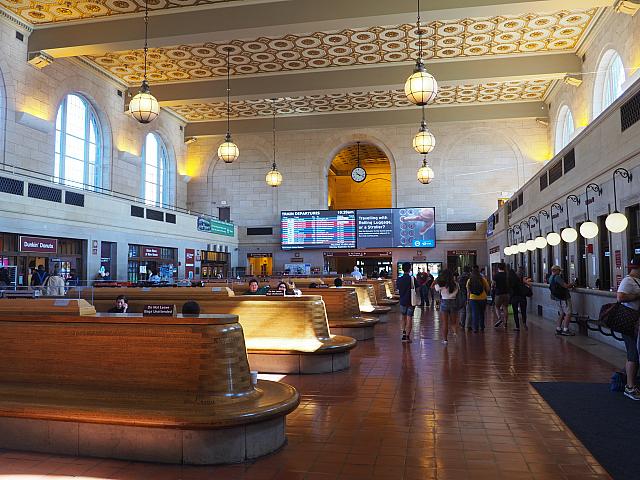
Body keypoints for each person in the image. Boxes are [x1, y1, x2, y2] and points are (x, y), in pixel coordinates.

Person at [616, 256, 640, 401]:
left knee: (635, 354)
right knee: (633, 354)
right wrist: (637, 295)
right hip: (629, 322)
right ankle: (629, 386)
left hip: (636, 323)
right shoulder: (628, 280)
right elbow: (620, 297)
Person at [434, 269, 459, 345]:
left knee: (445, 323)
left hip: (444, 302)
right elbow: (457, 293)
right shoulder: (456, 284)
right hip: (453, 302)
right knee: (454, 322)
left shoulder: (441, 284)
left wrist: (436, 280)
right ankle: (455, 334)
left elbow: (433, 287)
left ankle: (445, 340)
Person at [548, 265, 575, 336]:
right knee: (568, 313)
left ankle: (558, 328)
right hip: (563, 298)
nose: (560, 272)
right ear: (556, 270)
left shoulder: (550, 277)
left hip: (557, 298)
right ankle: (565, 329)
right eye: (559, 270)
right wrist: (572, 284)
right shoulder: (557, 277)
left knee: (562, 313)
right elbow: (565, 286)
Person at [396, 262, 417, 342]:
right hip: (411, 302)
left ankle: (403, 333)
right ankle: (407, 337)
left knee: (403, 317)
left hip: (402, 301)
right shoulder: (412, 278)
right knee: (409, 319)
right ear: (410, 269)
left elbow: (398, 288)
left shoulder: (399, 279)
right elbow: (417, 288)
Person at [467, 265, 490, 333]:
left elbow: (468, 291)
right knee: (482, 313)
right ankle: (482, 326)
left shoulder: (469, 280)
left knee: (474, 313)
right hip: (483, 298)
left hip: (473, 298)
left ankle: (475, 328)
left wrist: (468, 299)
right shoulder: (483, 279)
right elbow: (488, 288)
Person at [510, 267, 531, 331]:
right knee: (523, 311)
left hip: (514, 297)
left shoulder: (512, 279)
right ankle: (524, 323)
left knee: (515, 312)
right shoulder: (522, 278)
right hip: (522, 297)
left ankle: (517, 326)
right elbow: (529, 285)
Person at [492, 263, 510, 329]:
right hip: (506, 293)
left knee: (497, 307)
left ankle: (500, 318)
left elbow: (493, 285)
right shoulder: (507, 275)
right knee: (505, 307)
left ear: (498, 268)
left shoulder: (496, 276)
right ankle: (505, 323)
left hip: (498, 294)